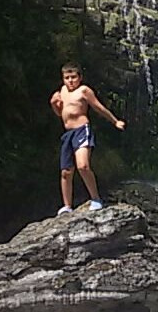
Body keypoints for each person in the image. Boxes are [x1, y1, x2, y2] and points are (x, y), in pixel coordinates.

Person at [50, 62, 125, 215]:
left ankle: (96, 199)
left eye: (73, 77)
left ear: (80, 77)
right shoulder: (62, 91)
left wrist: (115, 121)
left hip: (82, 130)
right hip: (68, 133)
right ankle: (67, 206)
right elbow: (61, 114)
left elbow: (99, 107)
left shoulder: (84, 91)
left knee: (83, 165)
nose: (70, 81)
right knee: (66, 172)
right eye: (67, 78)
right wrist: (54, 104)